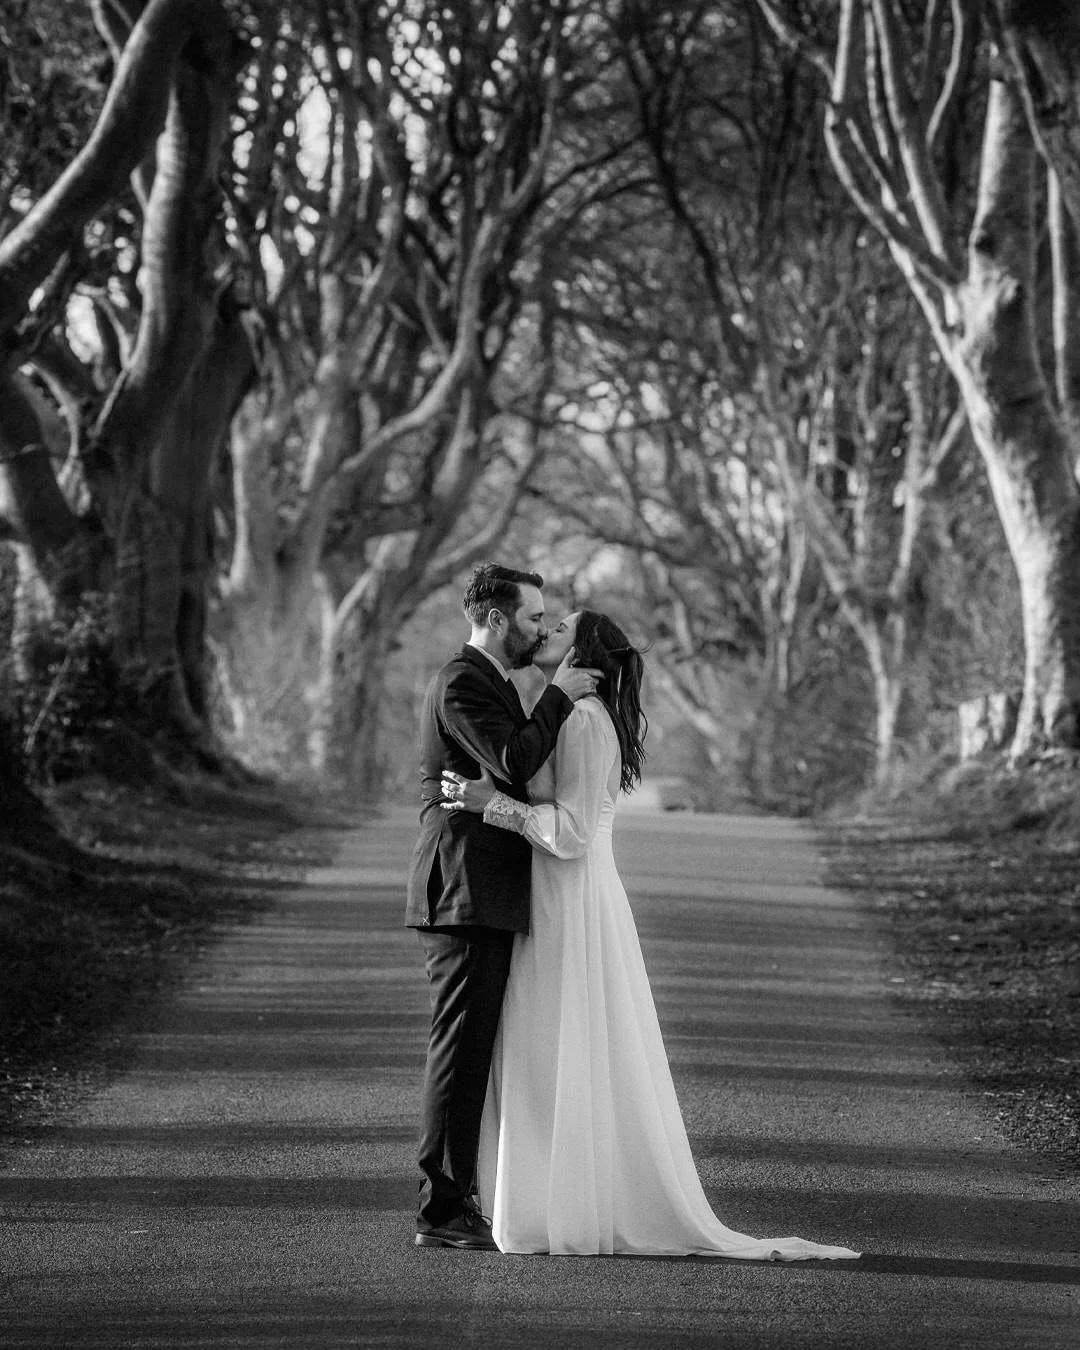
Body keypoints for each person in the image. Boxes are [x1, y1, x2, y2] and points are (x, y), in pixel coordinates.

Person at [441, 610, 860, 1261]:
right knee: (547, 1049)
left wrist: (487, 806)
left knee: (556, 1045)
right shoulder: (573, 714)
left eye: (560, 628)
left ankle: (559, 1212)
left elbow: (573, 835)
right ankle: (541, 1204)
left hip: (569, 897)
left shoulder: (582, 722)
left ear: (582, 654)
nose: (545, 630)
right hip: (558, 896)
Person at [405, 563, 601, 1251]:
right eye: (531, 616)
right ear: (495, 618)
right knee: (459, 1052)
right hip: (462, 889)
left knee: (475, 1048)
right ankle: (440, 1208)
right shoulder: (462, 681)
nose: (540, 627)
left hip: (485, 890)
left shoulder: (489, 683)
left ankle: (460, 1197)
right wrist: (561, 692)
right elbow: (513, 761)